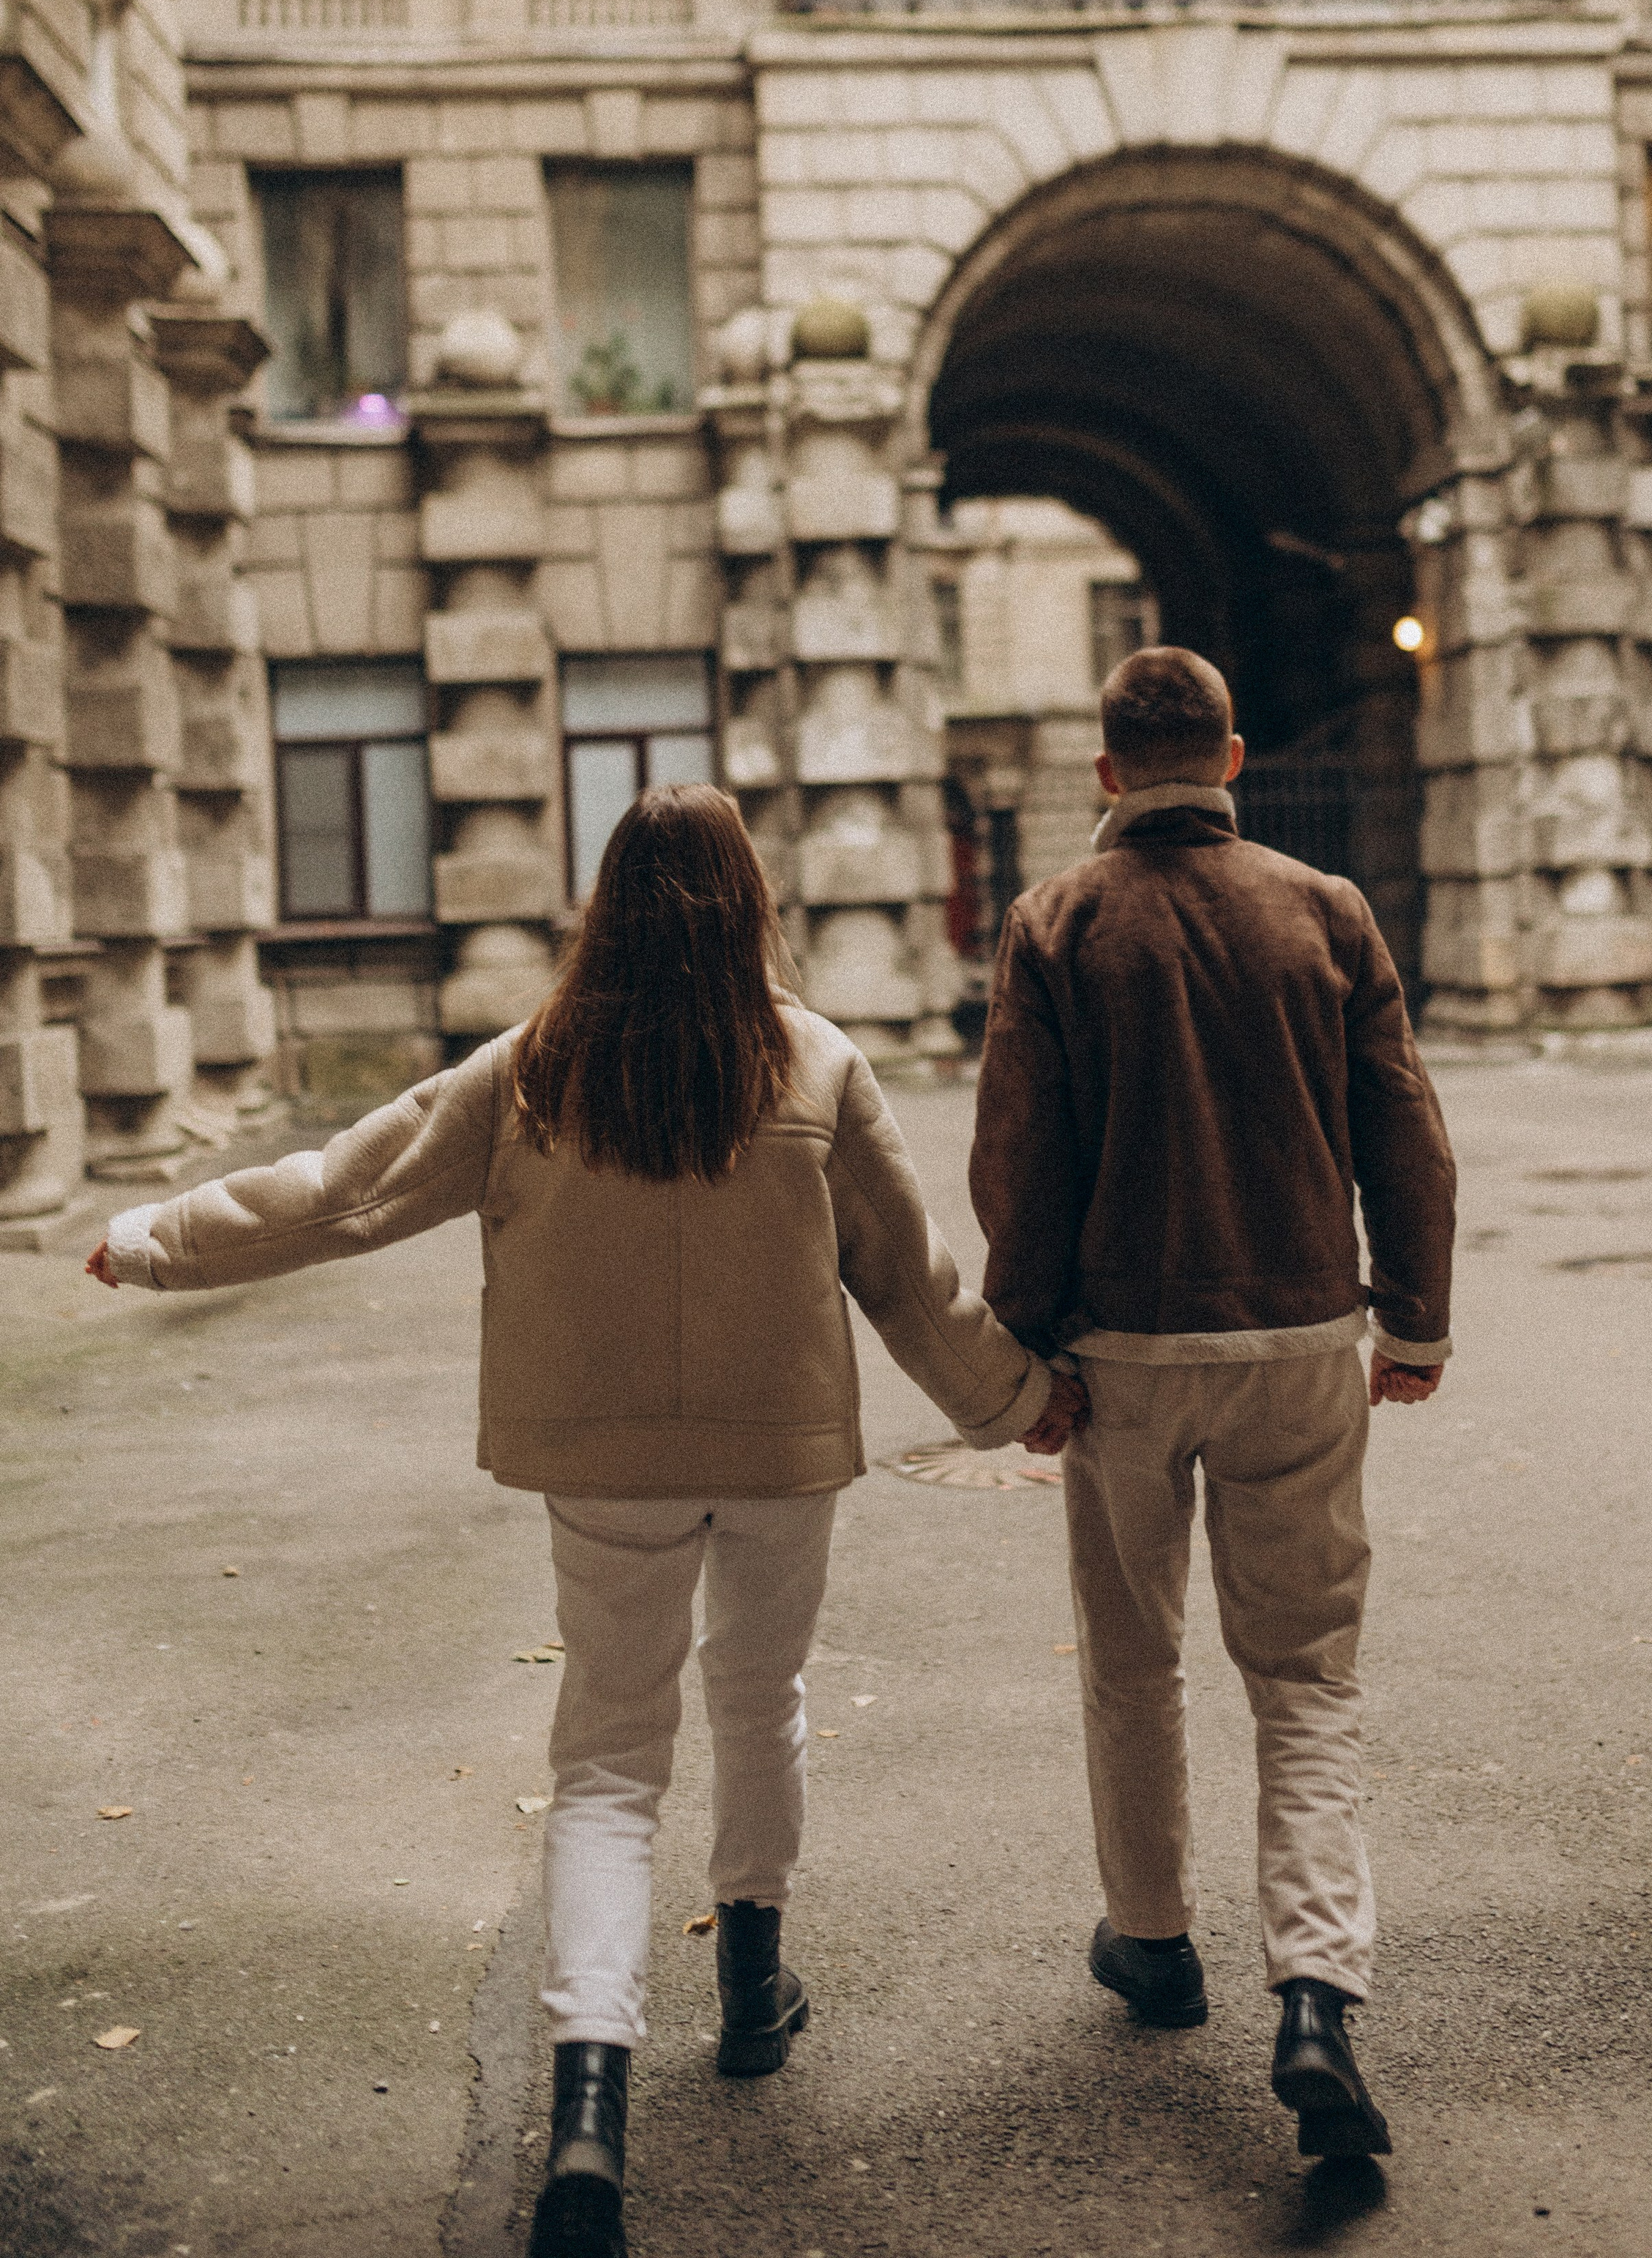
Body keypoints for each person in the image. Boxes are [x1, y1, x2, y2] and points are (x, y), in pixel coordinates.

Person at [89, 785, 1083, 2258]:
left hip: (598, 1461)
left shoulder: (531, 1071)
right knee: (761, 1708)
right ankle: (751, 1990)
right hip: (775, 1452)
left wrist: (152, 1240)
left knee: (608, 1765)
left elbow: (340, 1191)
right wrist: (1016, 1401)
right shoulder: (814, 1061)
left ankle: (586, 2110)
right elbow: (909, 1278)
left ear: (602, 905)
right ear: (751, 906)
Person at [968, 646, 1456, 2162]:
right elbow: (1406, 1131)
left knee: (1132, 1655)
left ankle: (1154, 1941)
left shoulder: (1053, 921)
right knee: (1302, 1675)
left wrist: (1025, 1353)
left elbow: (1018, 1167)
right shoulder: (1324, 911)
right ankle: (1313, 1988)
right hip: (1304, 1336)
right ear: (1230, 758)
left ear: (1106, 771)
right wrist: (1416, 1319)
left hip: (1121, 1347)